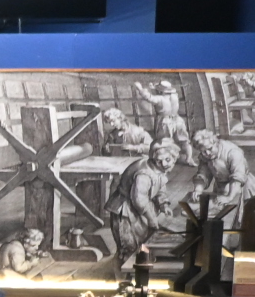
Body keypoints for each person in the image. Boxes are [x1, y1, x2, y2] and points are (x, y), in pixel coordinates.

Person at [105, 139, 180, 278]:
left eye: (168, 160)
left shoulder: (159, 169)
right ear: (154, 158)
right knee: (127, 247)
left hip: (140, 209)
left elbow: (160, 188)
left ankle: (139, 276)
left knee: (143, 243)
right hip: (125, 211)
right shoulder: (144, 173)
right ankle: (122, 281)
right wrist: (151, 218)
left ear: (174, 157)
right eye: (159, 161)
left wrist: (163, 204)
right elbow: (139, 200)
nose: (164, 164)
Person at [190, 127, 253, 226]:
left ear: (216, 143)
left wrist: (229, 197)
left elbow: (238, 177)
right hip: (221, 188)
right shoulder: (205, 156)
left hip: (241, 188)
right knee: (222, 220)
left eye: (210, 149)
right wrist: (198, 189)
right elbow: (203, 173)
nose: (207, 153)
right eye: (203, 151)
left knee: (244, 219)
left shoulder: (233, 152)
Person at [135, 80, 190, 150]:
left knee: (163, 142)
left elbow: (149, 97)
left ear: (160, 91)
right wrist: (154, 88)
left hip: (165, 121)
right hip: (178, 119)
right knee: (184, 141)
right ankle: (188, 156)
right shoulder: (175, 96)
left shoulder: (160, 99)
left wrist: (140, 88)